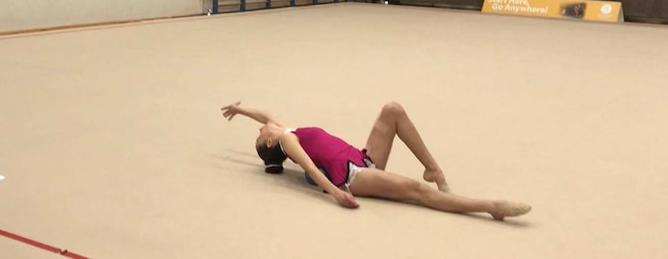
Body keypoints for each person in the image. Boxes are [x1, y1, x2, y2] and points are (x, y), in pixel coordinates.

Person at [221, 101, 531, 220]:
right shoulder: (289, 140)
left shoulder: (285, 130)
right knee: (416, 191)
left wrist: (241, 109)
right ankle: (491, 207)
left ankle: (432, 167)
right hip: (353, 176)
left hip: (363, 158)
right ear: (271, 142)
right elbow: (311, 168)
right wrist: (335, 192)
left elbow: (267, 115)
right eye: (260, 134)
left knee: (392, 110)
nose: (261, 128)